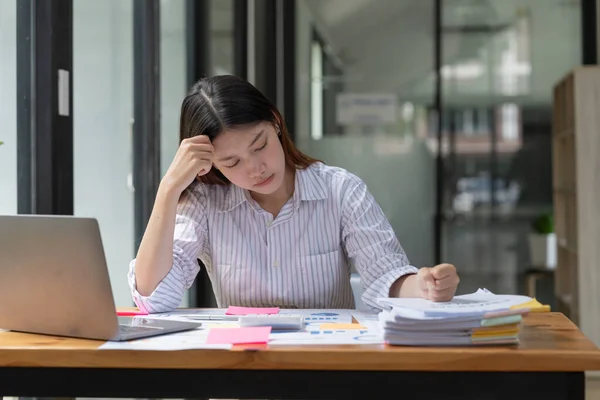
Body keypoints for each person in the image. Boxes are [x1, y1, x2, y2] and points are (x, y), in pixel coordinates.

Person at [127, 75, 460, 314]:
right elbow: (154, 298)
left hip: (326, 370)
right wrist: (169, 188)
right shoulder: (205, 203)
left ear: (275, 123)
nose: (255, 167)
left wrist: (424, 285)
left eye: (260, 145)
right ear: (209, 163)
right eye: (231, 162)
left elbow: (386, 278)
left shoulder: (340, 190)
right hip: (245, 373)